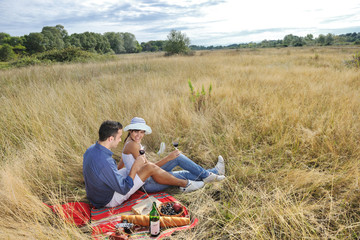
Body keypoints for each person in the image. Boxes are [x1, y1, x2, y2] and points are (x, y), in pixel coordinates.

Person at [83, 120, 204, 208]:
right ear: (110, 138)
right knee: (150, 168)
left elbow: (113, 170)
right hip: (108, 199)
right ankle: (185, 184)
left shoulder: (91, 150)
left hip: (97, 195)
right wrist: (135, 166)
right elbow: (124, 188)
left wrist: (129, 168)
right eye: (119, 137)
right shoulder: (106, 161)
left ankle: (207, 174)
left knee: (136, 170)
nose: (120, 140)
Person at [120, 117, 226, 193]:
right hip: (148, 183)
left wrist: (115, 174)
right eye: (136, 132)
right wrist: (168, 158)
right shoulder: (133, 145)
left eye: (142, 132)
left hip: (149, 177)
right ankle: (212, 174)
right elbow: (149, 168)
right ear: (130, 131)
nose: (139, 135)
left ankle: (211, 174)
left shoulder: (128, 142)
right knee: (182, 171)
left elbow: (122, 162)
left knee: (178, 158)